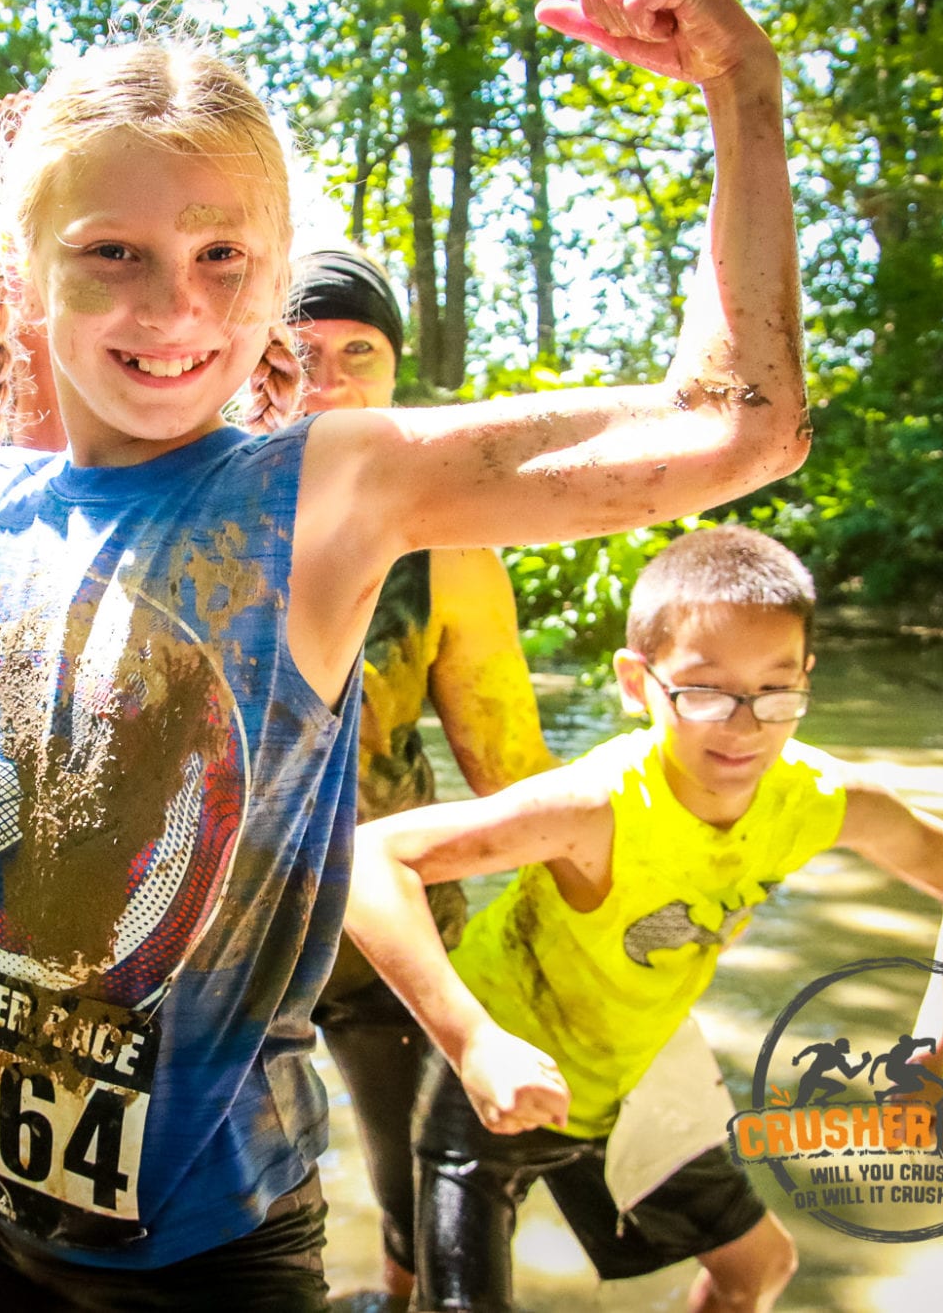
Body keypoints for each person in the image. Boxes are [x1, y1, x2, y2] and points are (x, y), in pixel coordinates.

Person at [0, 0, 813, 1303]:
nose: (173, 308)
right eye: (111, 257)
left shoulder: (318, 491)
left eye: (221, 259)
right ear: (25, 274)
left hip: (193, 1250)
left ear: (274, 286)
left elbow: (740, 424)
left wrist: (743, 90)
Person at [346, 525, 943, 1312]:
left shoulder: (821, 800)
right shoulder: (594, 806)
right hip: (493, 1071)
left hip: (634, 1074)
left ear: (808, 676)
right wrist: (473, 1040)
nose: (745, 724)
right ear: (637, 682)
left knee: (757, 1271)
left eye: (777, 690)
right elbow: (370, 861)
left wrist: (930, 1060)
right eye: (703, 691)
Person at [286, 245, 558, 1305]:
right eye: (302, 350)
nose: (332, 376)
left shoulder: (448, 541)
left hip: (383, 916)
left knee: (411, 1177)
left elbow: (507, 757)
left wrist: (593, 879)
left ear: (395, 373)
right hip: (217, 919)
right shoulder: (193, 506)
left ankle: (396, 1291)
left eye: (361, 352)